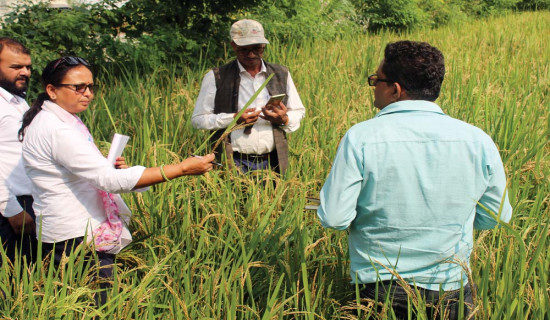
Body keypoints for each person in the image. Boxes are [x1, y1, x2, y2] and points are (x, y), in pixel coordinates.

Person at [317, 40, 513, 319]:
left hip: (381, 289)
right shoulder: (477, 139)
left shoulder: (361, 137)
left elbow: (334, 217)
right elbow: (496, 216)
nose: (374, 87)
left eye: (376, 81)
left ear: (396, 89)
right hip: (452, 286)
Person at [19, 56, 215, 305]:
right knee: (97, 305)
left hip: (72, 232)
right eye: (78, 87)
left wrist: (106, 166)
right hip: (74, 237)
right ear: (51, 90)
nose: (87, 93)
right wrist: (181, 168)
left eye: (90, 86)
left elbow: (85, 171)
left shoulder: (61, 119)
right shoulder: (56, 128)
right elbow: (108, 181)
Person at [192, 19, 305, 174]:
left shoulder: (281, 73)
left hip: (273, 161)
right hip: (233, 162)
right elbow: (198, 119)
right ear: (233, 45)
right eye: (244, 49)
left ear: (264, 46)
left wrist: (284, 119)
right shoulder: (216, 77)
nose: (251, 54)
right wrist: (234, 119)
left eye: (257, 48)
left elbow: (298, 111)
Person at [0, 37, 36, 266]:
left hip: (27, 202)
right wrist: (11, 208)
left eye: (28, 67)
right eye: (16, 67)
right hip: (7, 209)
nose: (25, 72)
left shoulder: (16, 101)